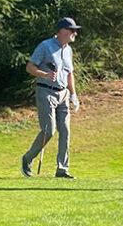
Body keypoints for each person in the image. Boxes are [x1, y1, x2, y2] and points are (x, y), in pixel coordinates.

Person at [21, 17, 81, 179]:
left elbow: (69, 74)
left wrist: (73, 94)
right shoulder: (45, 46)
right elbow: (30, 67)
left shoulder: (68, 49)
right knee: (49, 130)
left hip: (63, 94)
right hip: (46, 91)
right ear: (62, 31)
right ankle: (27, 158)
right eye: (72, 30)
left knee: (66, 131)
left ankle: (62, 168)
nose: (75, 33)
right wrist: (45, 75)